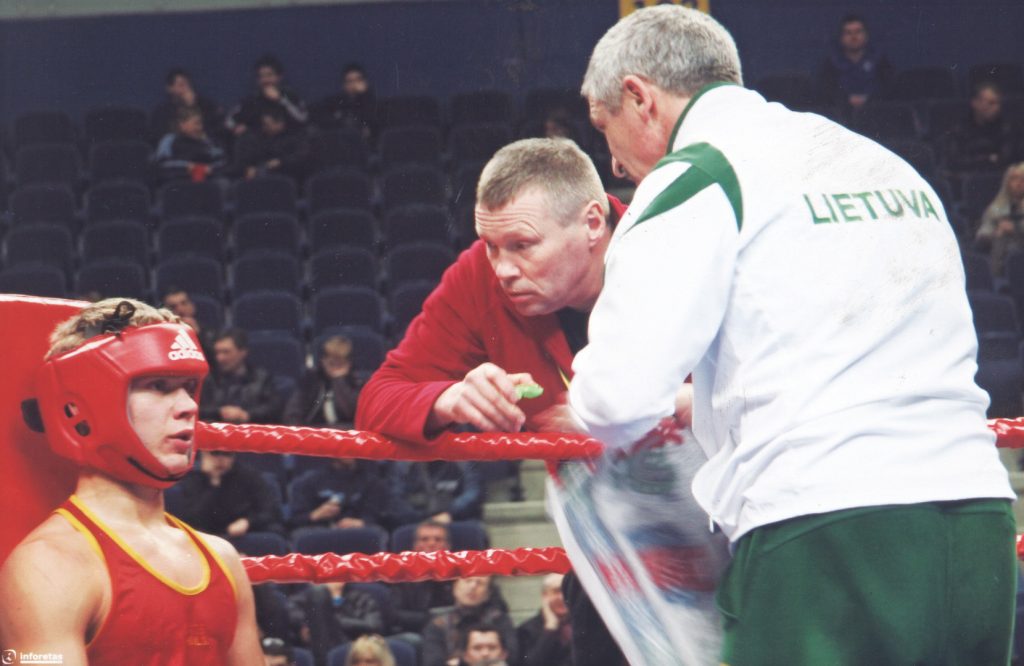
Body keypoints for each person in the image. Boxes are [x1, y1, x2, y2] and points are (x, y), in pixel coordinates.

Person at [554, 6, 1016, 665]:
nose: (617, 165)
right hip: (978, 521)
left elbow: (618, 398)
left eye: (607, 132)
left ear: (639, 98)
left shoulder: (697, 176)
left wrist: (576, 401)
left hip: (826, 527)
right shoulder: (883, 166)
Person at [355, 137, 628, 665]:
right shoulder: (480, 276)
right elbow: (379, 396)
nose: (502, 268)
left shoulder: (672, 248)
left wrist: (610, 420)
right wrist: (448, 398)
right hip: (606, 553)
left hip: (718, 520)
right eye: (489, 244)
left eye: (522, 245)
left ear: (593, 224)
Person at [0, 298, 262, 663]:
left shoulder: (222, 559)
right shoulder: (50, 568)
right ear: (83, 403)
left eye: (188, 386)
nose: (188, 405)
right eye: (158, 385)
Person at [173, 449, 286, 537]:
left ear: (234, 455)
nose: (221, 459)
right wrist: (214, 482)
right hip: (207, 535)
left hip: (243, 534)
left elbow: (270, 510)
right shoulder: (192, 478)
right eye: (215, 453)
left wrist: (248, 522)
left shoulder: (248, 476)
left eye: (226, 454)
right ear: (204, 454)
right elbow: (191, 519)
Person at [421, 576, 518, 666]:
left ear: (488, 593)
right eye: (467, 580)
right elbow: (432, 661)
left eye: (480, 583)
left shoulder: (499, 620)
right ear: (455, 586)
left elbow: (512, 656)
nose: (472, 587)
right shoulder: (439, 623)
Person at [200, 327, 284, 424]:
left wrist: (247, 415)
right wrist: (219, 412)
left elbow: (274, 408)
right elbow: (199, 408)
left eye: (226, 352)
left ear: (242, 352)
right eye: (217, 352)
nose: (220, 358)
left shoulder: (261, 378)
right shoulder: (208, 379)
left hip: (252, 433)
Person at [389, 521, 457, 637]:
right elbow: (395, 615)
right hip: (417, 632)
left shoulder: (461, 574)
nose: (431, 544)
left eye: (438, 539)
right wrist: (432, 619)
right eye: (425, 539)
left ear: (448, 546)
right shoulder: (402, 576)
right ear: (415, 547)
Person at [288, 458, 390, 533]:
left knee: (374, 532)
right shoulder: (309, 480)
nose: (351, 452)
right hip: (319, 531)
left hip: (357, 532)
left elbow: (379, 515)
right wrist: (316, 514)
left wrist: (362, 522)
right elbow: (294, 519)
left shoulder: (371, 482)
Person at [817, 14, 893, 115]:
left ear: (866, 35)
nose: (854, 37)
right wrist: (846, 100)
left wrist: (868, 99)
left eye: (858, 32)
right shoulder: (831, 62)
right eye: (848, 33)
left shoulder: (879, 60)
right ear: (841, 37)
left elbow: (889, 87)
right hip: (842, 114)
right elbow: (826, 90)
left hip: (876, 111)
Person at [294, 581, 385, 665]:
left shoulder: (360, 598)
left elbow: (373, 624)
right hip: (317, 646)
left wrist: (335, 620)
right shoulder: (306, 598)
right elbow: (293, 615)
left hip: (351, 643)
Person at [944, 81, 1024, 175]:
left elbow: (1007, 159)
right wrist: (988, 158)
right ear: (975, 103)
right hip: (966, 179)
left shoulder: (1008, 128)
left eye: (998, 103)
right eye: (991, 103)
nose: (996, 108)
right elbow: (954, 161)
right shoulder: (959, 129)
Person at [284, 334, 362, 428]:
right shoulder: (311, 380)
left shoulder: (356, 382)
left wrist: (339, 380)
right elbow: (292, 413)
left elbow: (350, 411)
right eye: (332, 362)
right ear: (323, 360)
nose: (335, 368)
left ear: (349, 363)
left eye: (340, 363)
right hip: (315, 434)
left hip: (347, 434)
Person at [228, 54, 308, 136]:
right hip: (260, 144)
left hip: (288, 142)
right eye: (261, 76)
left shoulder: (291, 96)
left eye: (269, 75)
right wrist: (236, 127)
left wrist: (280, 99)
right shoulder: (252, 100)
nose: (265, 80)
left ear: (279, 77)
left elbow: (303, 119)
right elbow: (229, 121)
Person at [229, 105, 312, 181]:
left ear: (279, 124)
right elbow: (255, 157)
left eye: (267, 125)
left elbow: (301, 156)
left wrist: (280, 162)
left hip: (291, 173)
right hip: (263, 173)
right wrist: (250, 168)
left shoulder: (296, 136)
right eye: (263, 125)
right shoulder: (260, 136)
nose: (264, 128)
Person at [153, 106, 227, 184]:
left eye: (201, 123)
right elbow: (162, 164)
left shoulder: (207, 140)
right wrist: (187, 166)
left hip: (206, 179)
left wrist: (209, 169)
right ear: (183, 124)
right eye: (196, 123)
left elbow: (221, 162)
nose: (200, 128)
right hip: (178, 179)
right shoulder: (169, 139)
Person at [975, 161, 1024, 275]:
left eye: (1022, 179)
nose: (1019, 183)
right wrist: (992, 233)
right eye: (1014, 178)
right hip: (1002, 254)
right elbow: (986, 228)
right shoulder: (998, 206)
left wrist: (1014, 227)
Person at [151, 67, 224, 143]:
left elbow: (214, 124)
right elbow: (159, 132)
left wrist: (192, 106)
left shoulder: (204, 104)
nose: (186, 88)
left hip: (200, 143)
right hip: (176, 146)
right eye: (181, 85)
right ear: (170, 88)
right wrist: (183, 128)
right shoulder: (162, 110)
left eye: (188, 84)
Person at [310, 62, 378, 141]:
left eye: (358, 80)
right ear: (344, 84)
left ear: (365, 82)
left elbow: (370, 119)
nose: (354, 84)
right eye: (349, 81)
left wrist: (365, 93)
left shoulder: (372, 103)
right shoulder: (336, 102)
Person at [516, 574, 571, 666]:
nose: (562, 597)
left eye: (566, 591)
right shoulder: (526, 630)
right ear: (545, 596)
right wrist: (550, 628)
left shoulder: (583, 625)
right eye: (556, 591)